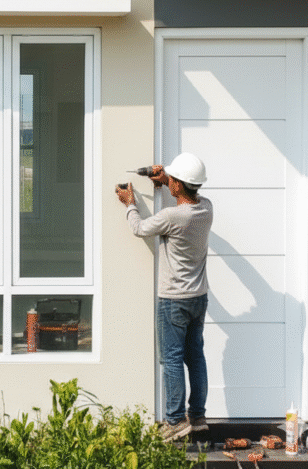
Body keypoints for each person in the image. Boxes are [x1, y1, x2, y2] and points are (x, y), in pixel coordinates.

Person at [115, 153, 213, 442]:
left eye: (171, 179)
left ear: (179, 185)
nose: (167, 180)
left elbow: (140, 228)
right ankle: (197, 418)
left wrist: (129, 203)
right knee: (195, 356)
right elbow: (185, 205)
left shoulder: (172, 216)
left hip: (173, 300)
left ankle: (174, 421)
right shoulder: (206, 208)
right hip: (198, 297)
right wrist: (165, 181)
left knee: (171, 358)